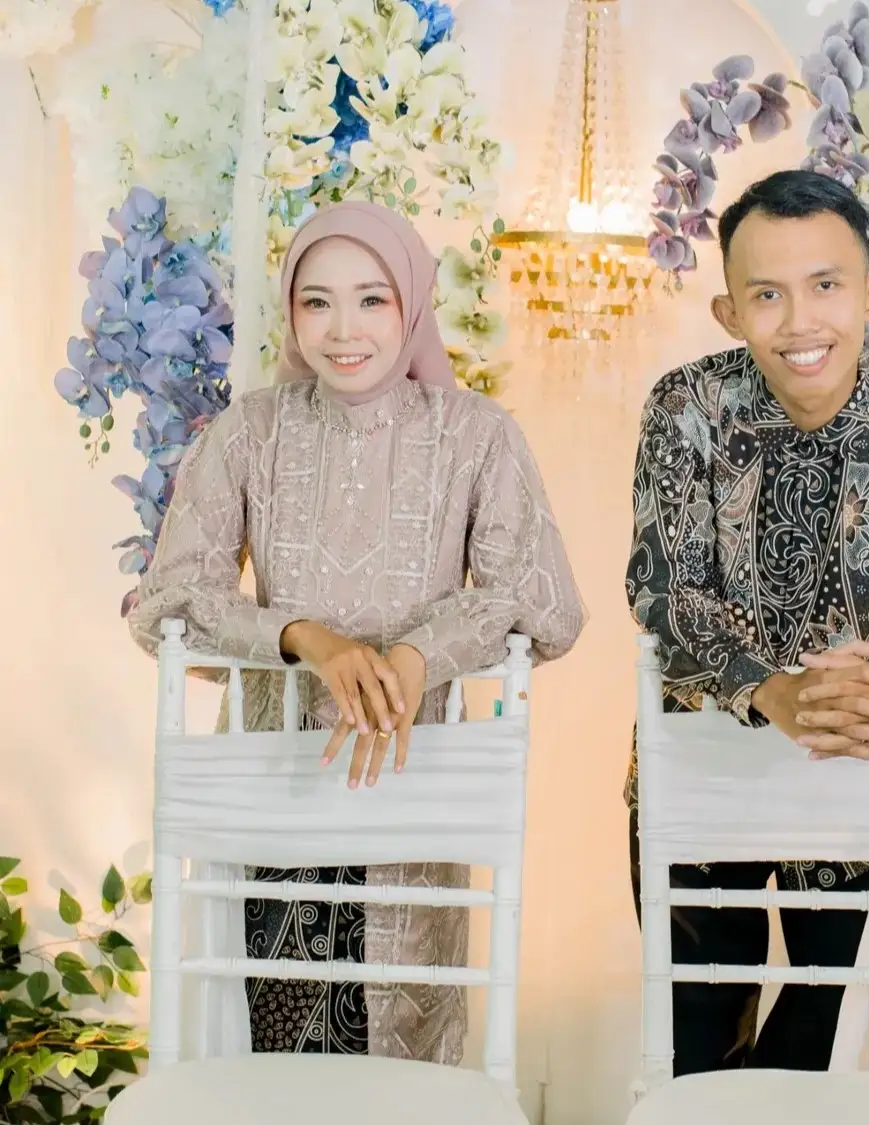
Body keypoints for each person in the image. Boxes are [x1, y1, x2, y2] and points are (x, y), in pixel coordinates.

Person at [130, 200, 585, 1060]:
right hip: (274, 787)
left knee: (398, 1056)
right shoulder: (249, 431)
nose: (344, 329)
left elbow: (545, 603)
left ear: (411, 305)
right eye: (318, 301)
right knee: (270, 1058)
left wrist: (416, 654)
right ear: (292, 312)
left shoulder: (477, 436)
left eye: (372, 299)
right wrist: (305, 637)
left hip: (410, 792)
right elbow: (168, 604)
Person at [624, 169, 869, 1075]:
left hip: (863, 771)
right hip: (701, 766)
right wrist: (773, 692)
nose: (800, 321)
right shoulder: (686, 409)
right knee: (697, 1044)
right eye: (766, 294)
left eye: (825, 285)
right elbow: (665, 593)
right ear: (728, 312)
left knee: (819, 1044)